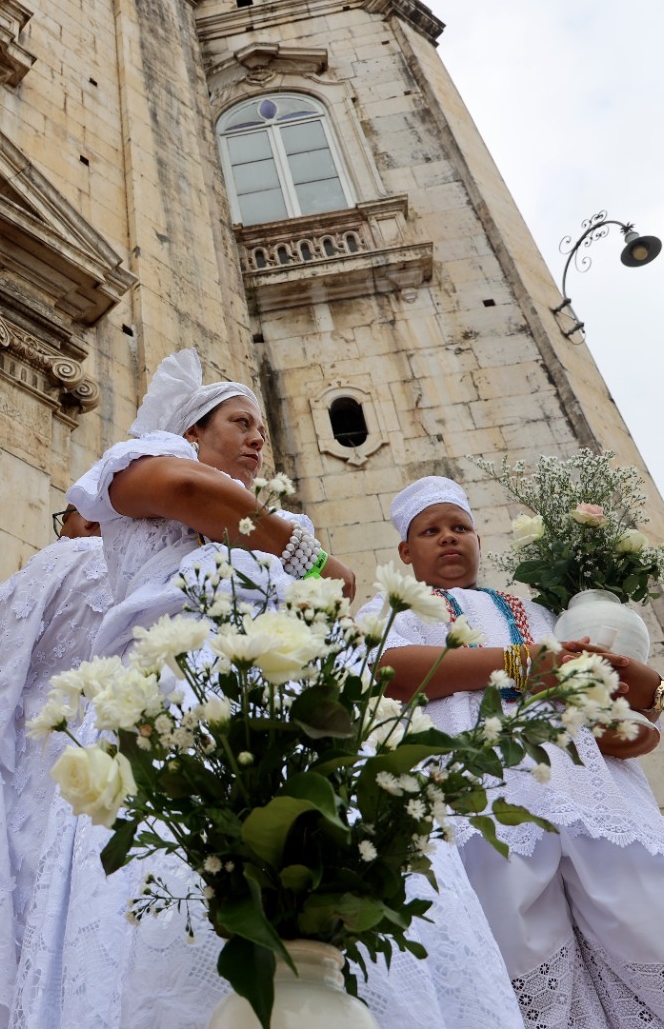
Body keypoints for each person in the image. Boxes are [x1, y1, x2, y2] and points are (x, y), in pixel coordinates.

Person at [44, 349, 523, 1029]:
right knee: (186, 877)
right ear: (190, 433)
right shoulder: (145, 467)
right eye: (240, 422)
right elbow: (189, 494)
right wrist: (307, 557)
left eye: (261, 428)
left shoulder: (273, 520)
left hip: (291, 703)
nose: (257, 437)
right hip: (184, 692)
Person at [361, 476, 664, 1029]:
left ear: (479, 541)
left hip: (593, 796)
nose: (448, 539)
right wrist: (520, 664)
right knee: (521, 954)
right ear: (405, 551)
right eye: (430, 531)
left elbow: (614, 708)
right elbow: (390, 672)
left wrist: (644, 699)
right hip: (487, 801)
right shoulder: (394, 611)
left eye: (460, 527)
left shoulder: (539, 613)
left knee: (657, 931)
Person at [0, 506, 112, 1029]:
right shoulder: (142, 568)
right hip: (108, 750)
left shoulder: (65, 559)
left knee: (21, 893)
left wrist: (3, 711)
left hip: (44, 745)